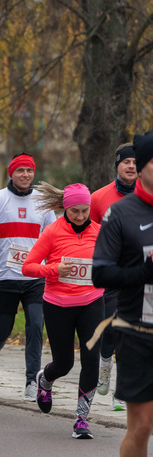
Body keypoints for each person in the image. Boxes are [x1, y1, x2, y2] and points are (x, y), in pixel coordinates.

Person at [91, 129, 153, 457]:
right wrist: (144, 273)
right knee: (143, 425)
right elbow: (101, 273)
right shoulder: (122, 214)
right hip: (138, 331)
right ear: (143, 168)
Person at [0, 153, 56, 401]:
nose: (26, 175)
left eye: (29, 171)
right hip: (4, 277)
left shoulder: (42, 201)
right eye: (20, 171)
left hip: (35, 278)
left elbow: (54, 237)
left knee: (35, 326)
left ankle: (32, 381)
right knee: (2, 329)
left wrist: (54, 266)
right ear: (11, 173)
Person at [22, 183, 103, 438]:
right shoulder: (52, 232)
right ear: (65, 209)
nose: (80, 216)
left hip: (91, 302)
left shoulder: (100, 231)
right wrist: (54, 270)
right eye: (74, 211)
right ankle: (45, 379)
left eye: (84, 210)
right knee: (64, 363)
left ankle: (81, 419)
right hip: (58, 305)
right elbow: (28, 267)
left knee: (91, 361)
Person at [91, 143, 136, 412]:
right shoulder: (99, 198)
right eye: (126, 162)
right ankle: (105, 362)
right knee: (110, 329)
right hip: (110, 275)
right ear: (117, 165)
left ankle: (124, 390)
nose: (131, 166)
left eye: (135, 162)